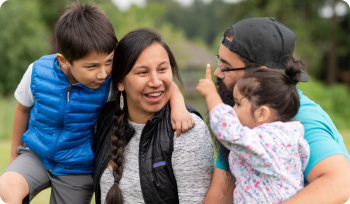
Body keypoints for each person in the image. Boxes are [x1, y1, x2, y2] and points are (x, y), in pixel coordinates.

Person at [0, 2, 193, 204]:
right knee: (5, 189)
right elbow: (22, 110)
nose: (102, 73)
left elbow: (161, 84)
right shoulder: (37, 73)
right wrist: (14, 158)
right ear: (64, 60)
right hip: (36, 155)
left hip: (76, 167)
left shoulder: (108, 83)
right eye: (92, 66)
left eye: (108, 61)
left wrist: (178, 106)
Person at [204, 17, 350, 204]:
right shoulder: (240, 116)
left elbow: (339, 183)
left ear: (260, 73)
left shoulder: (300, 118)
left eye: (226, 67)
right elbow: (222, 193)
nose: (217, 73)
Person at [93, 28, 214, 204]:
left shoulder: (186, 129)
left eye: (162, 69)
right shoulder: (104, 120)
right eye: (143, 72)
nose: (156, 82)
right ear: (120, 82)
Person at [197, 62, 310, 203]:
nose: (233, 109)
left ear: (261, 113)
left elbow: (229, 131)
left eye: (238, 103)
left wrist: (211, 95)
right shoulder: (291, 137)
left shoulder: (268, 140)